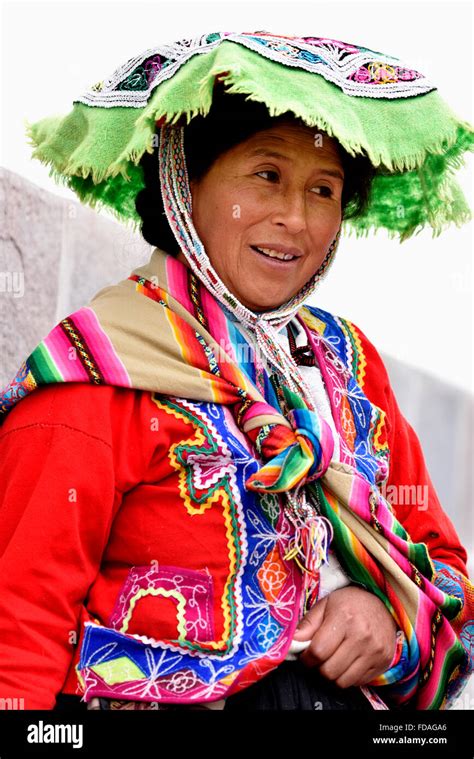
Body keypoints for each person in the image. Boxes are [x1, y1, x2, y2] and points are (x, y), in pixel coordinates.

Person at [0, 31, 473, 712]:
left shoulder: (350, 370)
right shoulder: (99, 375)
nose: (295, 218)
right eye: (266, 174)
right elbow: (18, 623)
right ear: (184, 182)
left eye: (323, 189)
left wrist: (388, 622)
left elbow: (444, 572)